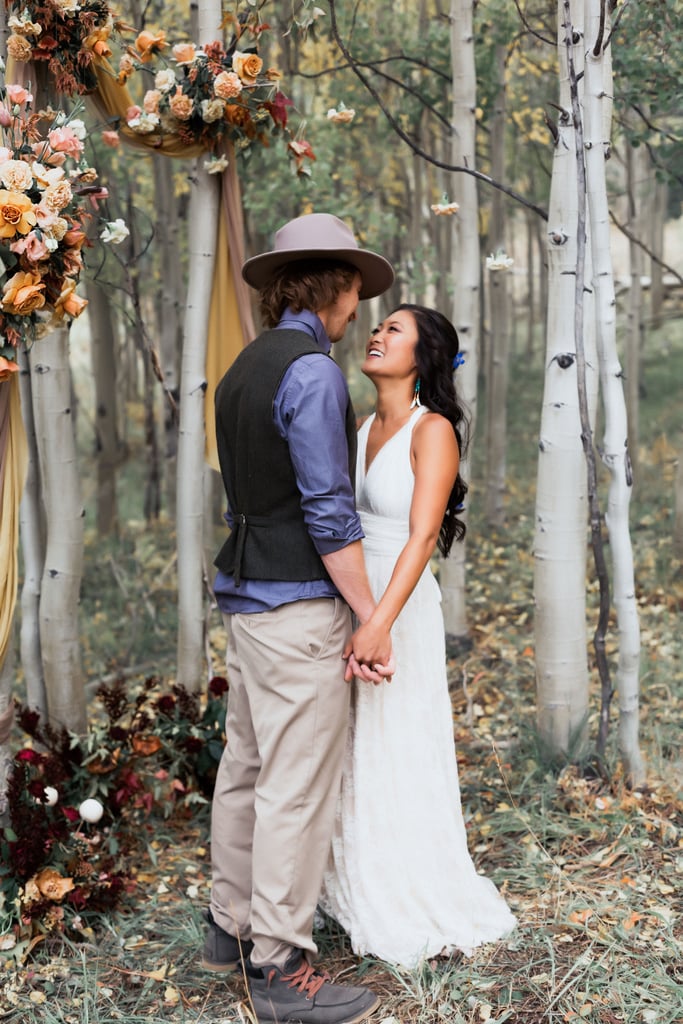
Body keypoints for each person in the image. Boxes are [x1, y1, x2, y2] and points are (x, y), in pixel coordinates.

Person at [203, 213, 396, 1024]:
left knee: (245, 764)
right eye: (356, 292)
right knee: (294, 782)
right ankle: (278, 967)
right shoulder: (315, 373)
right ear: (336, 288)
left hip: (246, 598)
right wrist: (369, 615)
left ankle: (228, 929)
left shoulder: (246, 364)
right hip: (295, 606)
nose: (358, 310)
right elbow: (328, 510)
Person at [321, 304, 517, 966]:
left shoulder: (431, 431)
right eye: (375, 327)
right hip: (351, 592)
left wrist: (378, 623)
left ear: (424, 355)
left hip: (399, 601)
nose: (376, 334)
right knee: (352, 741)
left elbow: (422, 535)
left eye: (394, 330)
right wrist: (352, 611)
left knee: (397, 735)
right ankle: (350, 875)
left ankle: (408, 883)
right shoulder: (356, 426)